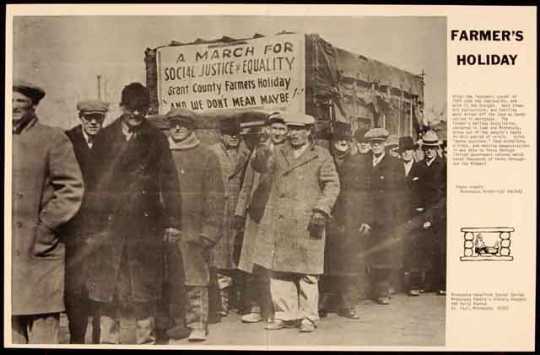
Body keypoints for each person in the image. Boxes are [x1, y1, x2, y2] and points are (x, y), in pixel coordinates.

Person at [87, 82, 182, 344]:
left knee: (145, 286)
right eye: (131, 109)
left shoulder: (156, 138)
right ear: (122, 107)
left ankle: (145, 341)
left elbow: (169, 181)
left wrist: (173, 222)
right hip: (109, 224)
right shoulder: (105, 137)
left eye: (142, 109)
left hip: (146, 223)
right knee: (108, 284)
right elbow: (93, 183)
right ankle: (108, 341)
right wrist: (92, 224)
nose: (136, 114)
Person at [251, 112, 340, 333]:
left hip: (309, 219)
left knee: (308, 272)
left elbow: (332, 185)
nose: (294, 134)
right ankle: (285, 314)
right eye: (291, 130)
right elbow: (260, 166)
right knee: (280, 271)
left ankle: (309, 316)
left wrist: (322, 209)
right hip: (280, 220)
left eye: (299, 130)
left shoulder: (321, 155)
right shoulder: (278, 152)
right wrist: (263, 146)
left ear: (309, 132)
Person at [12, 81, 84, 344]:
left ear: (33, 106)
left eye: (20, 101)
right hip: (10, 254)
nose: (14, 107)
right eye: (10, 101)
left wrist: (46, 228)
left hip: (38, 250)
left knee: (42, 325)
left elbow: (72, 189)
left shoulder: (52, 138)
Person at [166, 108, 225, 342]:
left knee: (195, 278)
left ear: (192, 127)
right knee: (169, 277)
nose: (177, 129)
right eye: (173, 125)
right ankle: (174, 322)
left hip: (194, 229)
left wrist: (210, 231)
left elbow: (215, 196)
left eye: (182, 124)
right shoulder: (162, 153)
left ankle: (197, 323)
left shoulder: (206, 155)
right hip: (167, 229)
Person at [63, 99, 109, 343]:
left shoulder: (110, 143)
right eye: (88, 117)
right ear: (80, 117)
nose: (93, 122)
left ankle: (100, 338)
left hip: (102, 227)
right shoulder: (66, 140)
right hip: (74, 226)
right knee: (76, 285)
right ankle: (76, 338)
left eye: (98, 118)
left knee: (100, 284)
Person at [235, 112, 288, 324]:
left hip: (278, 214)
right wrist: (240, 211)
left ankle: (276, 309)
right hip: (257, 212)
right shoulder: (260, 151)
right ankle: (257, 307)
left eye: (282, 129)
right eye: (274, 128)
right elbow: (247, 184)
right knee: (254, 263)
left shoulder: (290, 153)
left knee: (276, 264)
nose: (277, 133)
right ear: (268, 129)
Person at [320, 121, 363, 319]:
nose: (343, 142)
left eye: (346, 139)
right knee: (326, 263)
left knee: (348, 263)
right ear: (332, 142)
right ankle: (323, 303)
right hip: (329, 217)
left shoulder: (358, 162)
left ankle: (347, 304)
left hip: (352, 219)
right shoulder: (324, 160)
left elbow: (367, 195)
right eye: (339, 139)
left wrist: (365, 219)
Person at [208, 117, 245, 319]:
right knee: (220, 258)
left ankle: (238, 299)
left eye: (236, 134)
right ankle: (221, 301)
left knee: (237, 256)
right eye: (229, 134)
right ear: (221, 135)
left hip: (238, 211)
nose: (234, 137)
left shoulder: (245, 152)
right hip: (219, 210)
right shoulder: (212, 152)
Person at [363, 128, 401, 305]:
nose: (376, 146)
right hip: (365, 215)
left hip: (385, 217)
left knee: (384, 253)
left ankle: (382, 290)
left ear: (385, 144)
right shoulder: (362, 162)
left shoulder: (395, 164)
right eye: (373, 143)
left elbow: (398, 194)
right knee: (366, 251)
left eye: (379, 143)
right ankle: (368, 288)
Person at [394, 136, 426, 297]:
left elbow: (426, 192)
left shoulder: (421, 169)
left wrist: (423, 212)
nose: (406, 154)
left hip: (415, 214)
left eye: (409, 150)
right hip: (399, 215)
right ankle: (397, 283)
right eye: (403, 151)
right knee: (398, 246)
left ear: (414, 151)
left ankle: (414, 283)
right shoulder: (395, 168)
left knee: (414, 247)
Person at [417, 130, 447, 295]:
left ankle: (442, 283)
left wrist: (435, 215)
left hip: (440, 213)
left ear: (437, 148)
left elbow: (447, 194)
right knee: (425, 247)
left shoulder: (444, 165)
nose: (429, 150)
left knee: (440, 248)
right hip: (422, 212)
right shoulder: (419, 165)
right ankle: (428, 282)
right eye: (426, 147)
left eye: (432, 147)